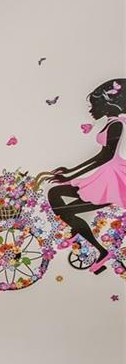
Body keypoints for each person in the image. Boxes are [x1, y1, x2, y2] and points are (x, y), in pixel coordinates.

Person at [49, 78, 126, 273]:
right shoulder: (112, 123)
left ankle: (100, 251)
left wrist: (70, 175)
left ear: (109, 104)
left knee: (61, 203)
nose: (91, 109)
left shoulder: (117, 124)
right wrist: (70, 172)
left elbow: (105, 157)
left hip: (111, 181)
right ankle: (79, 232)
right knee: (56, 195)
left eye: (95, 104)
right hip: (106, 175)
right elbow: (101, 155)